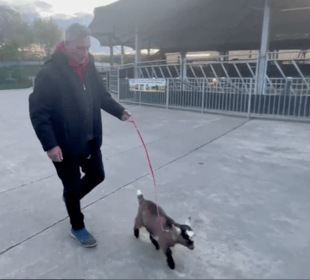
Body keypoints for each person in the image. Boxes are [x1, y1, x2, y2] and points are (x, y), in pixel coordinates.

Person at [29, 23, 131, 248]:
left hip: (90, 138)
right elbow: (38, 112)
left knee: (97, 175)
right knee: (73, 187)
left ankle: (70, 198)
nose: (84, 53)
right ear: (66, 45)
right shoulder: (50, 72)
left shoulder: (89, 64)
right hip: (63, 144)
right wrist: (50, 145)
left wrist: (119, 110)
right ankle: (77, 226)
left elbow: (101, 94)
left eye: (87, 47)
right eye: (79, 48)